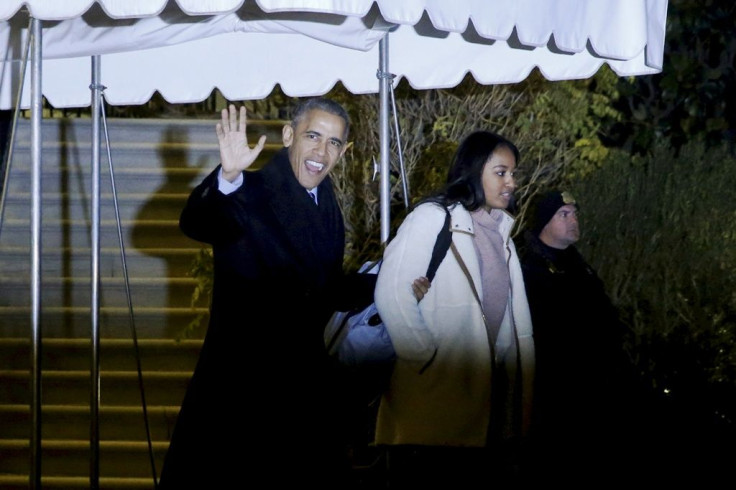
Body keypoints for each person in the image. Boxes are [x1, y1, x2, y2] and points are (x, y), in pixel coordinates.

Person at [158, 98, 377, 489]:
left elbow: (323, 286)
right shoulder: (251, 190)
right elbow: (198, 222)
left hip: (301, 395)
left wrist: (390, 285)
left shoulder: (325, 202)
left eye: (332, 143)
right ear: (289, 135)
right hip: (241, 397)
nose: (321, 152)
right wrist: (227, 177)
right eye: (313, 136)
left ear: (342, 153)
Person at [373, 130, 535, 488]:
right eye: (501, 172)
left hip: (482, 408)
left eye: (513, 173)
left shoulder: (501, 234)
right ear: (475, 170)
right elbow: (392, 292)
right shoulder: (434, 217)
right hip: (432, 407)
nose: (511, 182)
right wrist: (425, 356)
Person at [516, 190, 637, 484]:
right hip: (555, 397)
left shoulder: (575, 262)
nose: (574, 221)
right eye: (564, 215)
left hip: (594, 390)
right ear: (544, 222)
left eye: (575, 213)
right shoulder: (528, 268)